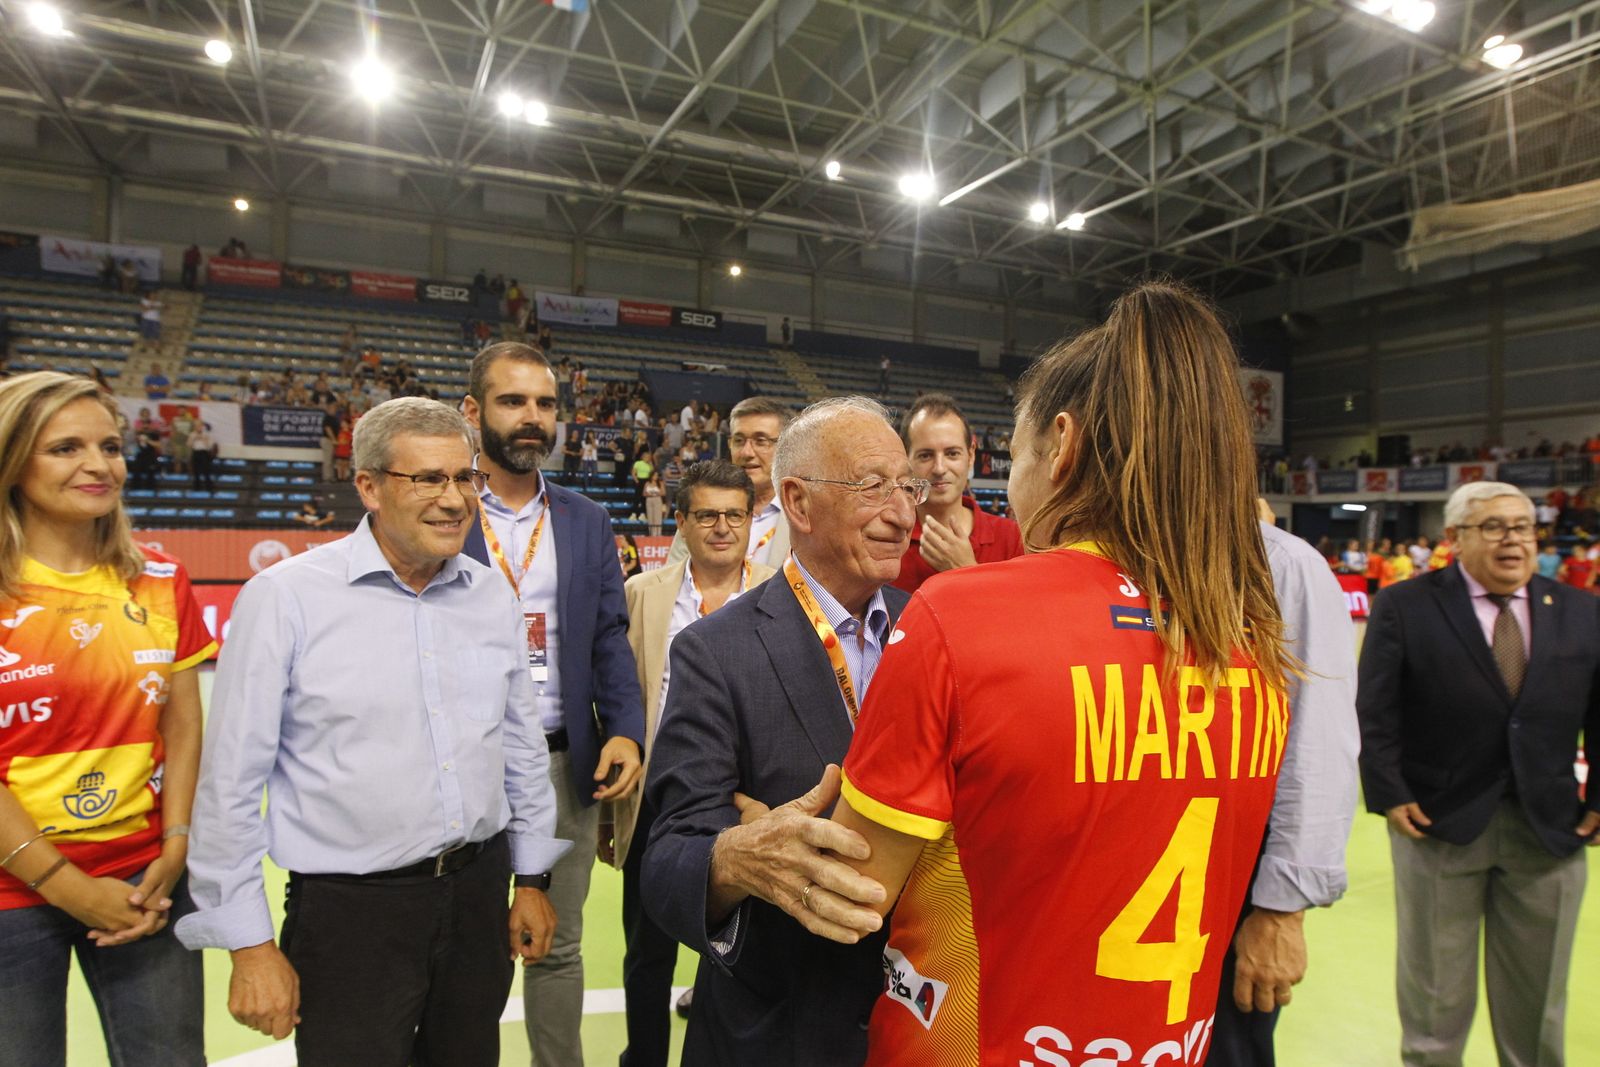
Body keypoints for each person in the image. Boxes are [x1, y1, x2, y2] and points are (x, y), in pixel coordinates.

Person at [827, 282, 1295, 1066]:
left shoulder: (956, 615)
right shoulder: (1253, 644)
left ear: (1063, 443)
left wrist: (754, 839)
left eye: (1015, 448)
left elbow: (855, 887)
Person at [176, 397, 569, 1066]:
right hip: (350, 914)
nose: (454, 499)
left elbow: (520, 747)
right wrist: (249, 942)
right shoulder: (286, 598)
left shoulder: (489, 593)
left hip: (478, 897)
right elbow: (230, 784)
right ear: (368, 485)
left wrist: (530, 876)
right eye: (428, 479)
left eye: (464, 477)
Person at [643, 396, 921, 1066]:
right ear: (796, 502)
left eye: (906, 485)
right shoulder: (715, 650)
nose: (902, 510)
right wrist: (738, 856)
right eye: (871, 485)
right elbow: (668, 858)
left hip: (922, 1022)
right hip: (780, 1029)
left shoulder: (938, 627)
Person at [0, 371, 214, 1065]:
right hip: (11, 895)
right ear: (12, 461)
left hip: (144, 881)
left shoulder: (159, 577)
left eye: (111, 445)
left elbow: (182, 724)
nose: (99, 465)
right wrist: (67, 887)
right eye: (65, 447)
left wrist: (175, 843)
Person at [1358, 481, 1600, 1067]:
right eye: (1493, 526)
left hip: (1549, 828)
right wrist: (1390, 794)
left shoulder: (1580, 610)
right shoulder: (1406, 605)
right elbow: (1376, 709)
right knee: (1435, 1002)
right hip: (1438, 824)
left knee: (1538, 1003)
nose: (1513, 540)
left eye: (1522, 526)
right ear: (1455, 538)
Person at [459, 342, 646, 1066]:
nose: (532, 418)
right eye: (513, 401)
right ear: (474, 412)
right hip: (468, 768)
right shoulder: (443, 509)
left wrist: (625, 729)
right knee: (472, 946)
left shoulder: (584, 519)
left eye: (544, 404)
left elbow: (608, 637)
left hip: (564, 763)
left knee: (558, 947)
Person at [610, 460, 776, 1067]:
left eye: (735, 515)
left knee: (737, 954)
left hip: (744, 801)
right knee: (646, 954)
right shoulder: (641, 596)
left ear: (751, 521)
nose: (722, 528)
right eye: (706, 514)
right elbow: (623, 695)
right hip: (658, 799)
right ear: (681, 521)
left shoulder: (780, 594)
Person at [1209, 514, 1361, 1066]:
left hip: (1237, 884)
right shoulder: (1108, 557)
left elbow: (1319, 743)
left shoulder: (1281, 564)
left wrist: (1282, 909)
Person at [892, 392, 1023, 594]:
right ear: (906, 459)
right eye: (925, 455)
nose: (939, 468)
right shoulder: (889, 540)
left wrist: (965, 571)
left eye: (952, 453)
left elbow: (1024, 622)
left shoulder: (1012, 539)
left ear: (971, 455)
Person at [666, 396, 792, 568]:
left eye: (760, 441)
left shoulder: (807, 515)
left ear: (786, 447)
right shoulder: (701, 508)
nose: (747, 452)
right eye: (739, 441)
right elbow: (672, 579)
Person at [168, 406, 195, 478]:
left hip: (188, 443)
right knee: (177, 461)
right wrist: (172, 444)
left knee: (190, 461)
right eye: (179, 410)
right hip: (177, 443)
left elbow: (193, 432)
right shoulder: (174, 420)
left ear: (186, 410)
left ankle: (191, 478)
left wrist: (192, 443)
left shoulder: (190, 420)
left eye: (183, 410)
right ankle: (177, 478)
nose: (181, 411)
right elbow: (172, 432)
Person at [189, 422, 216, 493]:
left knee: (206, 471)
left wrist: (204, 439)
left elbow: (209, 446)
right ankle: (197, 488)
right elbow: (189, 444)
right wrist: (194, 439)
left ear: (202, 426)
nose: (198, 427)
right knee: (196, 472)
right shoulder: (192, 434)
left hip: (204, 453)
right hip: (195, 453)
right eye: (196, 426)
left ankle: (209, 488)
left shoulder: (206, 434)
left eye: (199, 426)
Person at [643, 472, 666, 536]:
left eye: (657, 475)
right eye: (654, 475)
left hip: (657, 500)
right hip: (649, 500)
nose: (656, 476)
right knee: (650, 517)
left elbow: (663, 493)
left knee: (657, 517)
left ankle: (658, 533)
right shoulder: (647, 483)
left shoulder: (660, 483)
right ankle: (651, 533)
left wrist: (655, 493)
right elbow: (644, 493)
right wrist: (649, 494)